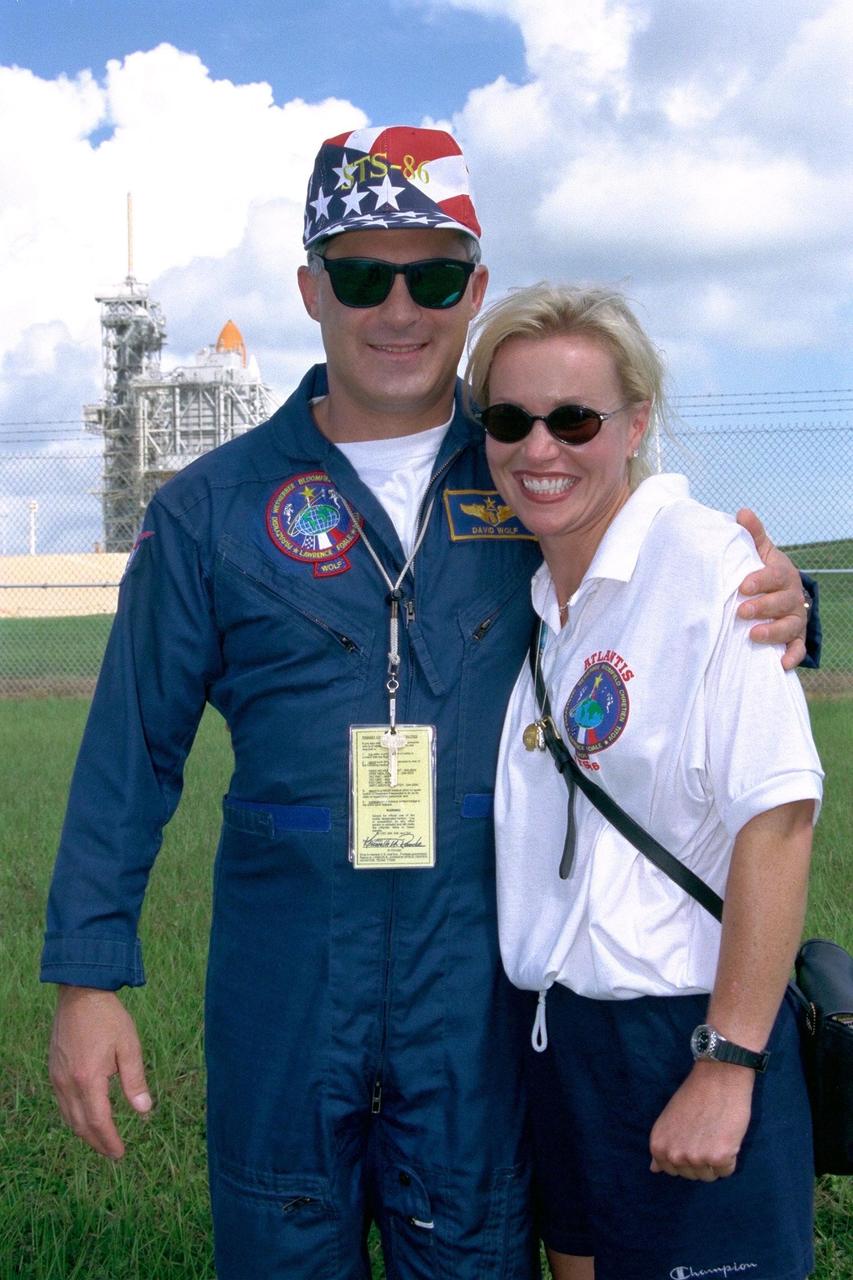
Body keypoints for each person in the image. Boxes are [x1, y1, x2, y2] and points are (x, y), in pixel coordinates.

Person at [42, 128, 816, 1280]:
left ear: (476, 289)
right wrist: (88, 974)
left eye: (433, 275)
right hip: (285, 971)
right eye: (362, 274)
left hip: (473, 984)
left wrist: (794, 606)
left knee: (472, 1244)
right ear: (312, 288)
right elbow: (129, 754)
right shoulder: (209, 511)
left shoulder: (531, 461)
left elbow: (678, 586)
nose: (397, 308)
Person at [470, 282, 823, 1280]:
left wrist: (728, 1059)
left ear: (633, 423)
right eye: (509, 419)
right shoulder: (543, 598)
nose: (539, 448)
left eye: (573, 418)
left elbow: (779, 819)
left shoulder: (710, 570)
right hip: (556, 1038)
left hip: (683, 1030)